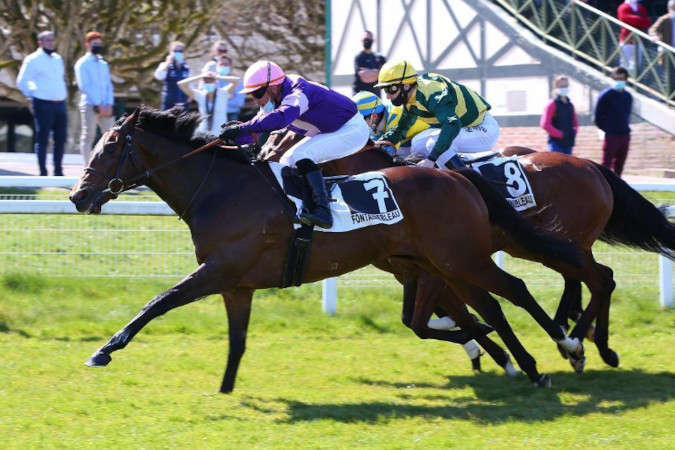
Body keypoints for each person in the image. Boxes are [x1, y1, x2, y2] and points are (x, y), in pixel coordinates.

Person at [219, 60, 370, 228]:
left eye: (257, 93)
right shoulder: (274, 98)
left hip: (351, 129)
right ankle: (305, 208)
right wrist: (230, 138)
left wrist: (242, 128)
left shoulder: (298, 91)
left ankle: (322, 212)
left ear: (273, 86)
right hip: (331, 130)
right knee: (286, 161)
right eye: (252, 95)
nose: (255, 100)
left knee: (300, 155)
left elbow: (281, 118)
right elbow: (257, 131)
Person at [373, 60, 497, 170]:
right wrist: (376, 144)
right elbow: (401, 129)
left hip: (482, 128)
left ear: (406, 85)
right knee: (418, 144)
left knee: (432, 143)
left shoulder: (432, 93)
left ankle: (468, 180)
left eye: (391, 89)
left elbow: (452, 125)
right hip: (464, 128)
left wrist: (431, 159)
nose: (387, 96)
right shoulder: (412, 98)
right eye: (385, 90)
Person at [16, 31, 67, 176]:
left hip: (60, 104)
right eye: (48, 40)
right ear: (40, 42)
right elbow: (22, 81)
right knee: (43, 139)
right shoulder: (33, 59)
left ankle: (58, 171)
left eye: (52, 40)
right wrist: (34, 93)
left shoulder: (58, 58)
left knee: (61, 138)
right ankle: (43, 172)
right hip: (43, 104)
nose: (51, 43)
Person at [74, 31, 115, 164]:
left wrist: (109, 104)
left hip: (106, 105)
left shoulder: (103, 64)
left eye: (99, 43)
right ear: (87, 45)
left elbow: (108, 85)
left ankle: (107, 165)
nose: (97, 46)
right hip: (90, 104)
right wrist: (98, 104)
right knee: (88, 136)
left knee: (111, 135)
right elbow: (84, 86)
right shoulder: (82, 63)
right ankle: (88, 166)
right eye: (94, 43)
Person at [352, 90, 429, 158]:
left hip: (429, 137)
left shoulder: (396, 115)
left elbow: (389, 152)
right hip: (407, 142)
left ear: (374, 116)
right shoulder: (375, 120)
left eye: (360, 120)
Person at [594, 67, 633, 176]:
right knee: (606, 163)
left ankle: (617, 183)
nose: (619, 81)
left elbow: (627, 114)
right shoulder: (606, 95)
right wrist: (607, 129)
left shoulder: (627, 96)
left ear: (626, 80)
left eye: (621, 79)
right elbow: (598, 117)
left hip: (624, 134)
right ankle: (606, 183)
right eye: (616, 79)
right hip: (611, 134)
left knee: (620, 164)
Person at [202, 47, 246, 121]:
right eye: (221, 64)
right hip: (214, 115)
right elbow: (207, 98)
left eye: (226, 64)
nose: (223, 66)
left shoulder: (238, 82)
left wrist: (219, 99)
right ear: (217, 66)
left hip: (231, 115)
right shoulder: (211, 81)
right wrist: (227, 97)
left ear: (231, 66)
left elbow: (239, 103)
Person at [540, 75, 579, 155]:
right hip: (556, 144)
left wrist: (573, 132)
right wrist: (560, 134)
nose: (564, 88)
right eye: (561, 86)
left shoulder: (570, 105)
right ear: (556, 87)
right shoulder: (552, 104)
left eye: (566, 86)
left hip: (569, 143)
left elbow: (575, 123)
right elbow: (545, 124)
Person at [154, 41, 191, 110]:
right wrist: (167, 63)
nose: (178, 53)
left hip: (183, 102)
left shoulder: (186, 67)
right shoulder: (164, 65)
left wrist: (191, 95)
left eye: (180, 51)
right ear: (171, 52)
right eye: (176, 51)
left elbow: (190, 83)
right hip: (169, 103)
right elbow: (158, 76)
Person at [649, 0, 675, 95]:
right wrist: (654, 36)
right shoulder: (665, 19)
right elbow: (653, 29)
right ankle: (667, 97)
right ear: (671, 8)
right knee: (669, 76)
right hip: (667, 52)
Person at [617, 0, 651, 73]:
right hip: (626, 40)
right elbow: (625, 18)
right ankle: (622, 79)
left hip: (638, 40)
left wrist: (637, 20)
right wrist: (640, 20)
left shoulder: (640, 7)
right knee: (624, 63)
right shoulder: (623, 7)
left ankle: (633, 79)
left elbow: (647, 22)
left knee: (637, 64)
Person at [353, 31, 387, 95]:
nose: (367, 41)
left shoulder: (379, 58)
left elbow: (384, 74)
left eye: (368, 39)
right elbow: (364, 77)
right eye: (365, 39)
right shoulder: (359, 57)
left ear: (373, 41)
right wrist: (376, 72)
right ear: (362, 40)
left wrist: (368, 72)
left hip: (375, 95)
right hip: (360, 95)